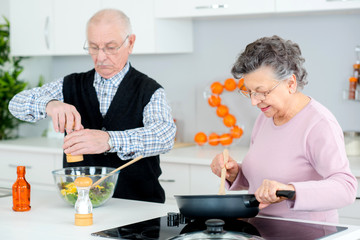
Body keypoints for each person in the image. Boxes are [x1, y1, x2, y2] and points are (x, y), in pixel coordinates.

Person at [9, 9, 176, 203]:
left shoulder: (149, 90)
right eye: (94, 47)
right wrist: (49, 104)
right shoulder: (70, 84)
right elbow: (15, 104)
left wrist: (109, 140)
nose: (101, 57)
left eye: (111, 47)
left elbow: (165, 135)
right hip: (82, 203)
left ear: (130, 43)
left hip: (139, 206)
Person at [210, 35, 357, 222]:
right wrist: (234, 173)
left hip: (306, 231)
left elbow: (346, 188)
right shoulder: (266, 117)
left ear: (291, 83)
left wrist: (290, 191)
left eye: (262, 92)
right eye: (249, 92)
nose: (254, 101)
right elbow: (261, 181)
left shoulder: (318, 124)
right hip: (261, 227)